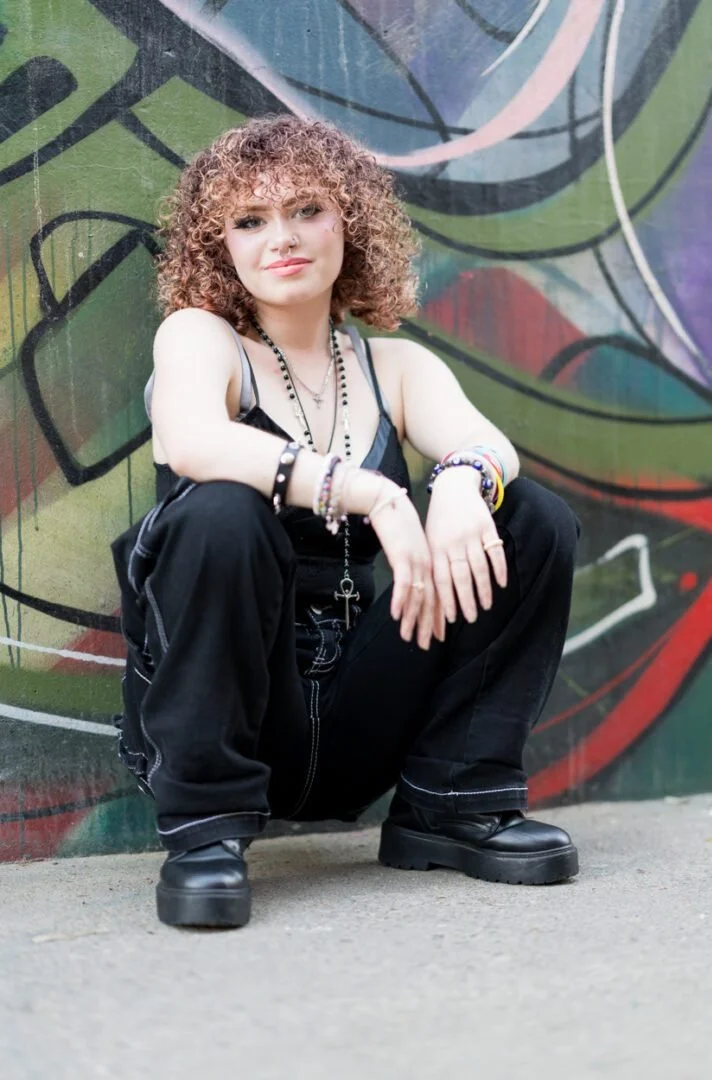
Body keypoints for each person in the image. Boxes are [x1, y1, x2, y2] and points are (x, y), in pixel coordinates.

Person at [111, 114, 580, 931]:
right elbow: (190, 441)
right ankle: (205, 834)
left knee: (529, 516)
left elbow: (485, 445)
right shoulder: (199, 339)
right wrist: (376, 493)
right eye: (248, 221)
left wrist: (464, 483)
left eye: (306, 210)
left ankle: (450, 805)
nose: (280, 238)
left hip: (367, 702)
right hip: (245, 717)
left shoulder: (394, 366)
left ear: (349, 222)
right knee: (220, 510)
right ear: (216, 246)